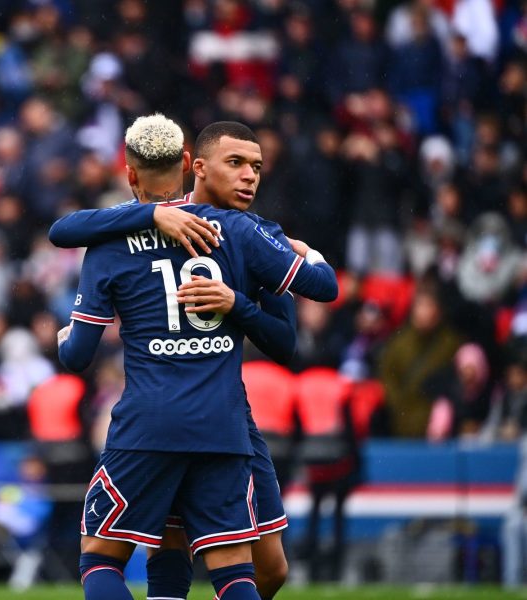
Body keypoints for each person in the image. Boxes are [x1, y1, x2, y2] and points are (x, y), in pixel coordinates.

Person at [56, 115, 337, 600]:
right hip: (219, 425)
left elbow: (285, 342)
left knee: (261, 569)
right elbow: (323, 290)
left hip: (160, 422)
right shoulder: (242, 232)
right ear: (193, 166)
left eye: (256, 166)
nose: (249, 175)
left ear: (129, 174)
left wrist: (236, 303)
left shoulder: (113, 244)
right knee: (211, 560)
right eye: (237, 163)